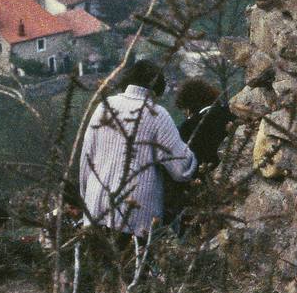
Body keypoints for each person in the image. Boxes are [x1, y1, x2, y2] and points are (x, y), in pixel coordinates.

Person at [78, 59, 197, 239]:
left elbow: (86, 162)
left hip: (95, 211)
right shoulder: (157, 114)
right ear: (158, 86)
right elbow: (181, 169)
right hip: (134, 218)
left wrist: (87, 200)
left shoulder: (104, 105)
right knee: (131, 266)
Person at [165, 77, 235, 231]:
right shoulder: (229, 116)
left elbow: (181, 166)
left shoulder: (188, 128)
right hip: (231, 187)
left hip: (198, 193)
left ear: (188, 106)